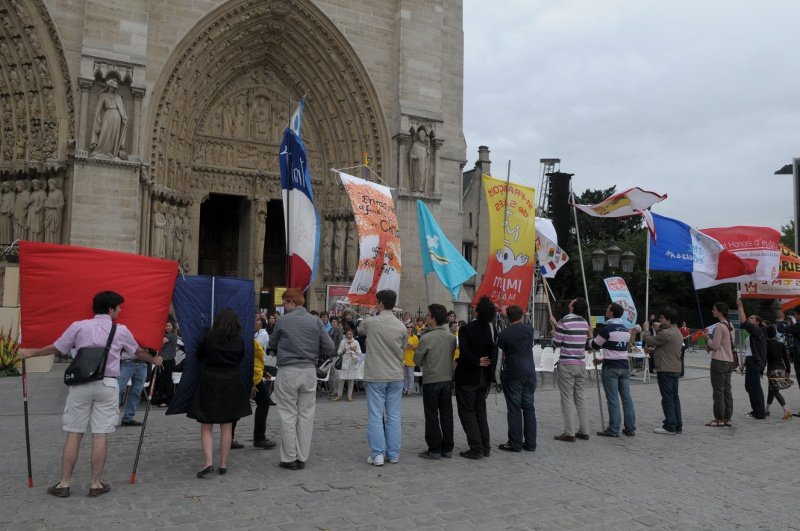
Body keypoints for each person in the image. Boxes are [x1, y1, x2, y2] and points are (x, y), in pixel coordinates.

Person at [20, 291, 163, 497]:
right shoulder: (120, 330)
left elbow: (57, 347)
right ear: (110, 309)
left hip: (80, 384)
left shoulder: (78, 326)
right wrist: (154, 360)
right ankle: (95, 484)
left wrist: (30, 352)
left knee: (74, 433)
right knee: (100, 434)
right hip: (107, 384)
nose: (121, 311)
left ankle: (64, 483)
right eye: (119, 307)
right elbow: (138, 352)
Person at [268, 288, 335, 470]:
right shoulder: (315, 321)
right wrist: (313, 351)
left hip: (288, 371)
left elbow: (272, 343)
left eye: (284, 303)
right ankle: (302, 456)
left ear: (291, 302)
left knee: (288, 414)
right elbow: (330, 347)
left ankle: (289, 457)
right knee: (306, 415)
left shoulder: (282, 321)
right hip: (308, 371)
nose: (284, 306)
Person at [188, 308, 252, 477]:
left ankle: (208, 462)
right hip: (231, 382)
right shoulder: (239, 341)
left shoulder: (210, 337)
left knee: (206, 425)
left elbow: (199, 354)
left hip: (211, 380)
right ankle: (223, 463)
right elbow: (241, 359)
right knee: (227, 426)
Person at [359, 289, 407, 466]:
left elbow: (361, 328)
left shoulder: (371, 322)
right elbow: (403, 344)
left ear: (379, 303)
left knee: (376, 415)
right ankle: (393, 454)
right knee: (394, 415)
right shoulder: (401, 326)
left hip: (376, 375)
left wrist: (372, 313)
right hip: (395, 374)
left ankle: (378, 453)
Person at [454, 296, 497, 459]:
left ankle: (476, 447)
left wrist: (476, 361)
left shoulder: (466, 329)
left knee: (467, 412)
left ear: (477, 311)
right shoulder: (492, 329)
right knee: (480, 411)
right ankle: (485, 446)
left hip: (469, 376)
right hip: (484, 377)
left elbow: (464, 352)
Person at [414, 303, 456, 459]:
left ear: (433, 318)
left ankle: (435, 449)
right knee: (447, 415)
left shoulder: (426, 338)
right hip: (446, 379)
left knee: (432, 415)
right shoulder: (451, 337)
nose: (425, 317)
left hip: (431, 380)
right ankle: (447, 448)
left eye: (427, 315)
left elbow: (417, 360)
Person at [591, 302, 636, 438]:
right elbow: (618, 351)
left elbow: (594, 344)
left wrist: (589, 335)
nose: (606, 310)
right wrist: (602, 359)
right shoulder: (625, 330)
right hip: (624, 367)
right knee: (627, 398)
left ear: (611, 313)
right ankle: (630, 428)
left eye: (608, 308)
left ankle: (613, 429)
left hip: (611, 368)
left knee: (613, 399)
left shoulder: (607, 329)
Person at [496, 305, 537, 452]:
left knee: (514, 409)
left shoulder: (504, 335)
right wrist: (507, 312)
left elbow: (501, 356)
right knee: (529, 408)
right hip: (529, 372)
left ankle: (515, 443)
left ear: (507, 317)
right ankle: (531, 443)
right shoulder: (529, 330)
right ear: (521, 316)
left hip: (513, 373)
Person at [550, 297, 590, 442]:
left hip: (567, 363)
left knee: (566, 398)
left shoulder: (565, 321)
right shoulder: (584, 322)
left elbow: (557, 343)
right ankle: (584, 430)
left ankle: (569, 432)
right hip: (580, 363)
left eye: (571, 301)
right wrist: (558, 325)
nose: (569, 302)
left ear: (573, 306)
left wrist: (554, 334)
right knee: (580, 397)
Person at [644, 307, 684, 434]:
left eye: (662, 318)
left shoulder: (666, 333)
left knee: (667, 398)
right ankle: (677, 424)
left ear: (668, 319)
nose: (659, 320)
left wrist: (646, 330)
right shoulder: (676, 331)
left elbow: (650, 340)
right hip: (674, 368)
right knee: (674, 397)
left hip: (665, 368)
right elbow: (665, 348)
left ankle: (670, 425)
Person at [702, 302, 736, 427]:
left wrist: (707, 338)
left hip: (719, 361)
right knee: (727, 390)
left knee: (718, 390)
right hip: (729, 361)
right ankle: (727, 417)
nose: (712, 311)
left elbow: (715, 346)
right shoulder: (730, 325)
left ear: (720, 311)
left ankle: (719, 418)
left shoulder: (720, 327)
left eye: (714, 309)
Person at [736, 299, 767, 419]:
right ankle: (756, 410)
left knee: (755, 387)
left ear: (757, 322)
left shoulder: (758, 331)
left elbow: (744, 324)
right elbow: (749, 351)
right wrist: (743, 364)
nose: (749, 319)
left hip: (755, 362)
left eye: (752, 318)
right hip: (750, 361)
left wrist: (740, 307)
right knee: (749, 386)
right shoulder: (752, 334)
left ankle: (759, 413)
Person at [251, 338, 277, 449]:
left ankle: (259, 437)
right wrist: (252, 383)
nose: (260, 322)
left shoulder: (252, 336)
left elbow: (256, 360)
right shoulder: (247, 337)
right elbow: (247, 360)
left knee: (264, 402)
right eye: (257, 319)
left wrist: (263, 371)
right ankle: (259, 438)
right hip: (253, 379)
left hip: (256, 376)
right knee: (264, 402)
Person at [764, 325, 793, 419]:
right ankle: (767, 409)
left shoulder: (766, 345)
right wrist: (788, 370)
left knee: (775, 390)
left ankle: (786, 410)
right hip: (782, 369)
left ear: (766, 334)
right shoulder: (781, 344)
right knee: (771, 389)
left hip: (772, 370)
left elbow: (764, 360)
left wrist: (761, 370)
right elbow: (786, 359)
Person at [152, 320, 178, 407]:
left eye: (169, 326)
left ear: (173, 327)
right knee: (162, 381)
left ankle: (169, 401)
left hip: (168, 361)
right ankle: (162, 399)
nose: (167, 327)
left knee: (168, 381)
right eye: (166, 326)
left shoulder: (172, 336)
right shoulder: (166, 336)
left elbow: (160, 342)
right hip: (163, 361)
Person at [332, 327, 361, 401]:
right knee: (341, 379)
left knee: (351, 380)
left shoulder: (356, 342)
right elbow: (338, 352)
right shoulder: (343, 341)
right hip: (344, 362)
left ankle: (349, 396)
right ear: (345, 335)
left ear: (353, 334)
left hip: (352, 362)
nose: (349, 335)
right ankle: (339, 395)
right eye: (348, 334)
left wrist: (355, 350)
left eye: (350, 334)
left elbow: (359, 353)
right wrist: (343, 351)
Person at [402, 322, 419, 395]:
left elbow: (417, 348)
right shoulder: (403, 336)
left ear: (412, 328)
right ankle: (405, 389)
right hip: (403, 357)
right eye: (407, 327)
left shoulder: (415, 337)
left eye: (410, 327)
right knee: (404, 375)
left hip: (411, 358)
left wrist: (412, 346)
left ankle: (410, 389)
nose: (409, 328)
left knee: (410, 375)